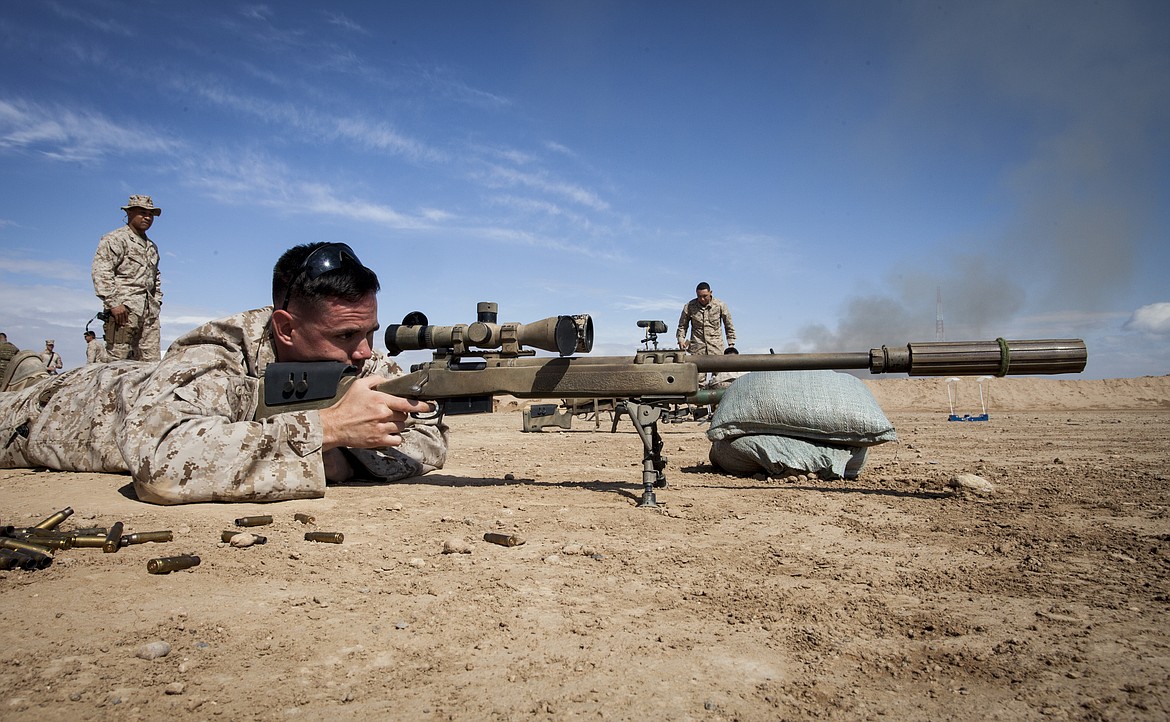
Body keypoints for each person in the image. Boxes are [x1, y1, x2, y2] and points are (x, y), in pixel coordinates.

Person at [0, 242, 448, 505]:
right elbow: (161, 465)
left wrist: (344, 454)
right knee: (22, 381)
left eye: (368, 331)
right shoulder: (215, 351)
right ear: (286, 328)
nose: (365, 351)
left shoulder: (358, 356)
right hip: (48, 408)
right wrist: (326, 431)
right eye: (347, 335)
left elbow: (429, 439)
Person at [92, 194, 164, 362]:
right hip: (124, 311)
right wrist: (114, 303)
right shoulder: (115, 239)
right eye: (142, 213)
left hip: (149, 314)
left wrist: (157, 300)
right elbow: (101, 271)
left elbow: (156, 277)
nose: (147, 217)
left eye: (150, 214)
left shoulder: (151, 246)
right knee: (116, 362)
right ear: (129, 213)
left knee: (151, 366)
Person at [676, 282, 736, 356]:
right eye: (699, 296)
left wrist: (731, 344)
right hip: (697, 351)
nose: (702, 299)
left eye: (705, 296)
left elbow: (729, 325)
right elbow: (682, 326)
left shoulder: (720, 305)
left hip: (716, 350)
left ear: (710, 293)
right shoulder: (689, 306)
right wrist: (681, 340)